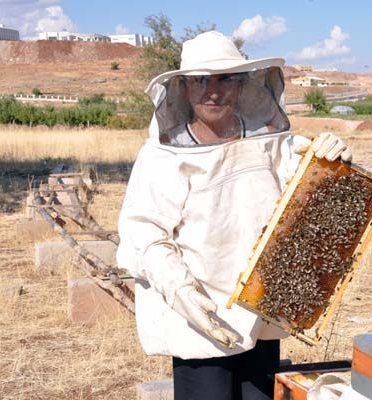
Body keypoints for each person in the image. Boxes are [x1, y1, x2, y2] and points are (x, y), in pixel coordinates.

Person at [116, 31, 352, 400]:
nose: (214, 91)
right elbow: (143, 232)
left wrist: (330, 160)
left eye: (225, 78)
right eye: (201, 81)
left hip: (262, 309)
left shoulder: (271, 143)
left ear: (242, 85)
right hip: (200, 316)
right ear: (185, 89)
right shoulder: (163, 157)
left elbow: (311, 195)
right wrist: (178, 289)